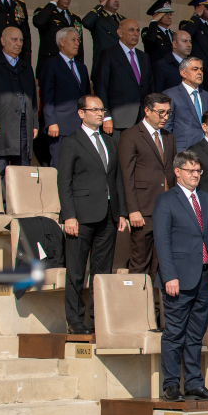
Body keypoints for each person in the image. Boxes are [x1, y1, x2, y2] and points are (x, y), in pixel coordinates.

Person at [154, 150, 208, 401]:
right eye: (190, 171)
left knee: (197, 333)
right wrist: (169, 276)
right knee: (174, 333)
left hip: (205, 276)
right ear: (177, 172)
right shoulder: (166, 200)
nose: (195, 175)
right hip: (178, 278)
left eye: (198, 171)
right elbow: (162, 242)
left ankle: (195, 383)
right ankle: (171, 384)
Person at [57, 95, 128, 334]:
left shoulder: (109, 141)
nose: (100, 113)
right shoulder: (71, 141)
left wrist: (121, 213)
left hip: (108, 215)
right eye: (94, 109)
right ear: (81, 113)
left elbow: (116, 178)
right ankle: (75, 320)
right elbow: (64, 181)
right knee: (76, 271)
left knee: (102, 272)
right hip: (81, 215)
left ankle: (99, 319)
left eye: (101, 109)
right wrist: (68, 215)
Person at [118, 93, 176, 315]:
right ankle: (135, 313)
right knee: (140, 264)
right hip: (143, 209)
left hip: (165, 209)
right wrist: (132, 209)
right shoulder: (131, 135)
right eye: (161, 112)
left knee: (159, 266)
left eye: (168, 112)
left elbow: (170, 171)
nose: (165, 117)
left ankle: (155, 313)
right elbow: (127, 175)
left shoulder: (169, 136)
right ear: (147, 111)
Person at [0, 27, 36, 175]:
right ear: (3, 41)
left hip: (24, 124)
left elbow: (32, 99)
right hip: (1, 123)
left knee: (22, 171)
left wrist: (34, 124)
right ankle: (1, 199)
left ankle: (17, 199)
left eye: (21, 40)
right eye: (14, 39)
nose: (18, 43)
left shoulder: (26, 67)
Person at [95, 19, 153, 144]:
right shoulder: (108, 54)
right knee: (118, 158)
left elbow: (149, 87)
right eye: (131, 30)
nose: (136, 33)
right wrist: (106, 116)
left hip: (141, 118)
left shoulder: (143, 57)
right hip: (118, 119)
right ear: (120, 33)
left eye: (138, 30)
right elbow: (101, 86)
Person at [41, 27, 90, 166]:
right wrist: (51, 122)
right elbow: (47, 96)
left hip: (80, 125)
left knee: (78, 164)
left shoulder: (81, 67)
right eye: (73, 40)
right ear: (62, 42)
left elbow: (85, 96)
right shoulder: (51, 64)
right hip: (60, 125)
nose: (77, 43)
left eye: (78, 40)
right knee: (60, 163)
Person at [31, 0, 82, 78]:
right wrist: (53, 2)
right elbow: (39, 22)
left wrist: (80, 67)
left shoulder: (75, 18)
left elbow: (80, 48)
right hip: (50, 66)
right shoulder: (44, 13)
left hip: (71, 66)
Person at [163, 57, 208, 153]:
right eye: (195, 69)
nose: (199, 72)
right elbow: (166, 127)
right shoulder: (171, 94)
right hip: (183, 150)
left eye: (201, 69)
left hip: (206, 150)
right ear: (183, 73)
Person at [83, 0, 125, 87]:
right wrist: (100, 5)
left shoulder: (122, 19)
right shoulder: (98, 18)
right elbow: (86, 22)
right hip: (103, 67)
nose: (117, 0)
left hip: (121, 67)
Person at [180, 0, 208, 66]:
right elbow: (186, 35)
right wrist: (195, 16)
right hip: (197, 67)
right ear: (198, 8)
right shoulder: (189, 24)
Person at [140, 0, 174, 65]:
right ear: (156, 16)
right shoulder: (147, 31)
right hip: (157, 71)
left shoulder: (173, 34)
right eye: (165, 14)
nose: (169, 17)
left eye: (170, 14)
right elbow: (150, 40)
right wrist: (154, 21)